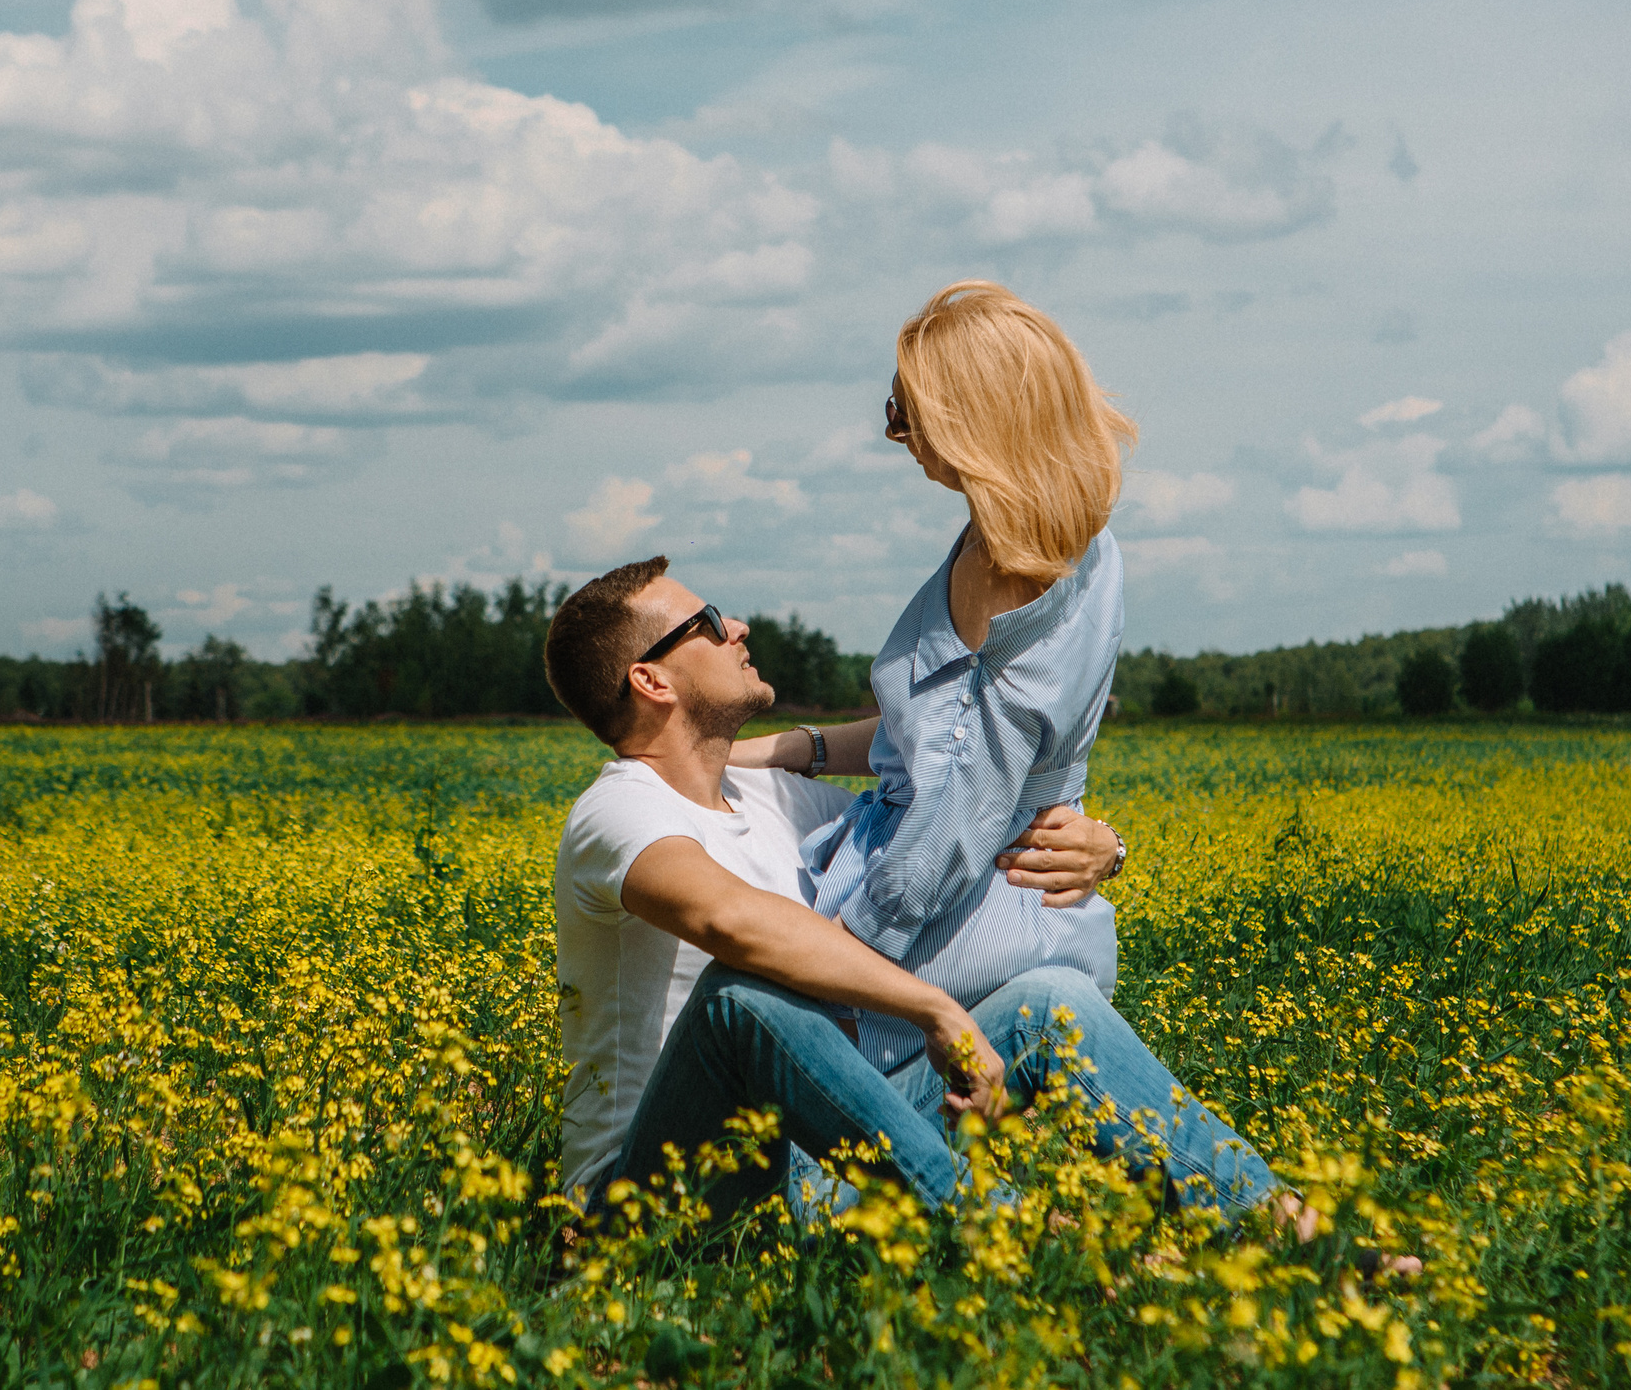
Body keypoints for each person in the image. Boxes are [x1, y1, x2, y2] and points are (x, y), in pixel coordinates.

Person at [545, 557, 1286, 1228]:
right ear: (651, 679)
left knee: (1051, 1001)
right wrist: (937, 1011)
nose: (736, 626)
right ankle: (1017, 1235)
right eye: (707, 623)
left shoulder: (770, 800)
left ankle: (1281, 1226)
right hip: (650, 1198)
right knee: (744, 992)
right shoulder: (617, 808)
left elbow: (941, 792)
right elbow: (730, 919)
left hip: (808, 1156)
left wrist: (1103, 845)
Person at [731, 280, 1132, 1075]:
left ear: (973, 416)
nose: (897, 435)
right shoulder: (1088, 547)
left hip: (951, 935)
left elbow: (952, 807)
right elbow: (951, 741)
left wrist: (839, 957)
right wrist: (785, 748)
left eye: (906, 410)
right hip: (1045, 915)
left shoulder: (998, 570)